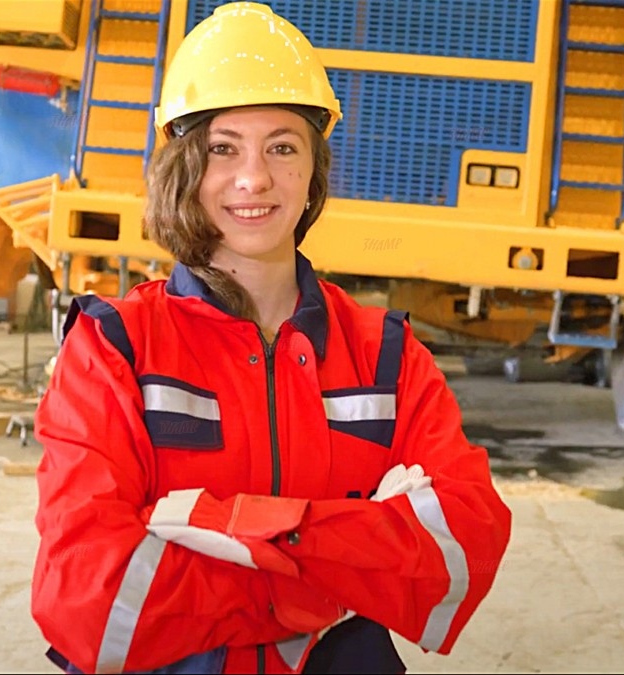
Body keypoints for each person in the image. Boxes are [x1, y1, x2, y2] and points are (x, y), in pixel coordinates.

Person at [31, 3, 512, 673]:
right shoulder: (115, 349)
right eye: (223, 148)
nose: (254, 177)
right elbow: (90, 601)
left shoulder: (387, 355)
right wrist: (347, 573)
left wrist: (217, 530)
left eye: (282, 147)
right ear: (185, 167)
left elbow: (462, 552)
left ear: (313, 170)